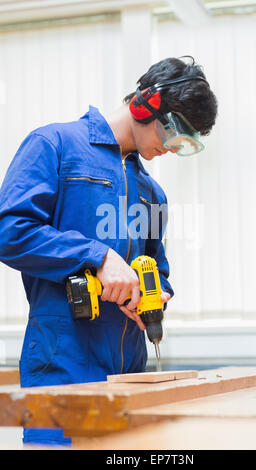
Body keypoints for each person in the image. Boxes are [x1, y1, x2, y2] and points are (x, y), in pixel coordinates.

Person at [0, 56, 217, 446]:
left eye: (183, 143)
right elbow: (10, 232)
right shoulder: (55, 145)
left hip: (129, 379)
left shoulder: (152, 193)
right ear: (145, 104)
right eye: (173, 132)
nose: (170, 147)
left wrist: (156, 295)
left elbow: (158, 268)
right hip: (62, 370)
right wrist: (97, 257)